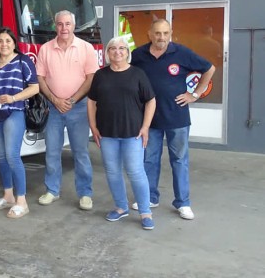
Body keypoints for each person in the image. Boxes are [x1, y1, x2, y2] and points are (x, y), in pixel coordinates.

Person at [130, 19, 215, 220]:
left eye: (165, 33)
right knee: (149, 160)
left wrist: (194, 94)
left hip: (177, 118)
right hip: (149, 119)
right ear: (150, 34)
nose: (161, 37)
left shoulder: (182, 53)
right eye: (157, 33)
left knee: (179, 161)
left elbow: (209, 69)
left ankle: (183, 203)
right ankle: (150, 197)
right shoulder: (138, 55)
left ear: (171, 33)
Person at [88, 37, 157, 230]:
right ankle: (120, 207)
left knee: (136, 171)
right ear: (107, 53)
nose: (117, 52)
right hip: (107, 133)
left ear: (127, 52)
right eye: (113, 49)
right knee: (112, 172)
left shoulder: (138, 74)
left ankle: (145, 211)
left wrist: (145, 127)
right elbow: (91, 101)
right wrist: (93, 126)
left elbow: (151, 100)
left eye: (122, 48)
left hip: (133, 133)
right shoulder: (101, 75)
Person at [36, 10, 98, 210]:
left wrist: (71, 100)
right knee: (52, 152)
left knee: (80, 152)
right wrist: (55, 99)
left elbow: (90, 78)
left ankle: (85, 193)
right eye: (60, 24)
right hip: (53, 109)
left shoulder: (86, 48)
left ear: (74, 25)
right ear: (55, 26)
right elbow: (40, 79)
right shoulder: (45, 49)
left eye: (68, 24)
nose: (64, 28)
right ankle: (52, 191)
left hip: (78, 108)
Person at [0, 28, 39, 219]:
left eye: (7, 41)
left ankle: (22, 201)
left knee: (13, 156)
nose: (4, 44)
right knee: (2, 157)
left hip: (14, 112)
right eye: (0, 41)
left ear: (14, 43)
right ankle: (8, 195)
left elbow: (34, 88)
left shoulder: (22, 61)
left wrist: (13, 98)